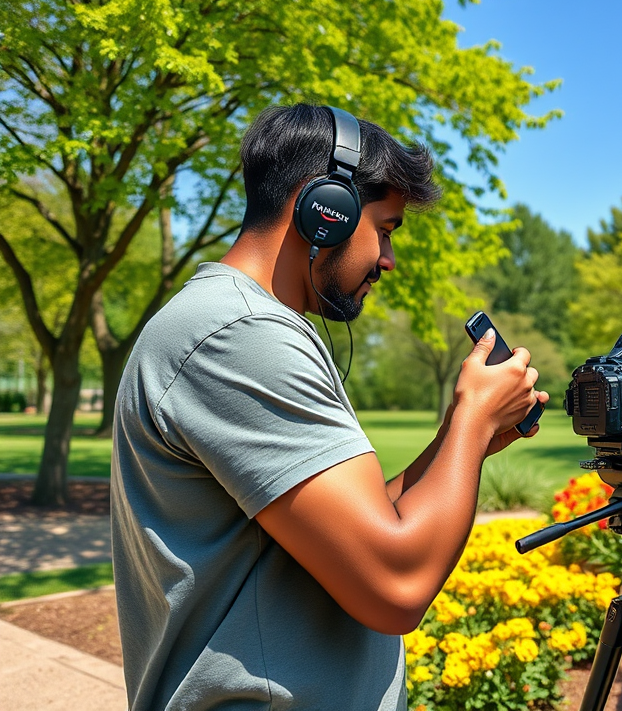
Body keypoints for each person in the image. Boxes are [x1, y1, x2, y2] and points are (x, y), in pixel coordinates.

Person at [110, 103, 549, 710]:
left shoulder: (239, 325)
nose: (389, 262)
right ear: (326, 210)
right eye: (386, 230)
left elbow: (355, 525)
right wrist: (472, 424)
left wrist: (457, 438)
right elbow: (396, 585)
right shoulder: (240, 334)